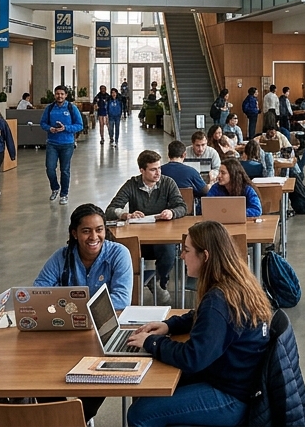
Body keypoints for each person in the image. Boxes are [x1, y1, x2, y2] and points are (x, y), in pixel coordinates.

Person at [126, 221, 273, 427]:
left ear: (205, 256)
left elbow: (192, 358)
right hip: (240, 381)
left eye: (186, 250)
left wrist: (152, 342)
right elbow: (201, 317)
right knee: (154, 385)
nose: (182, 256)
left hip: (231, 397)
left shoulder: (218, 301)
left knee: (140, 414)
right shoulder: (235, 284)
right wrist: (169, 326)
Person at [108, 150, 188, 304]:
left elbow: (182, 207)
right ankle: (130, 290)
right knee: (125, 251)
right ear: (142, 170)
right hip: (139, 239)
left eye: (159, 168)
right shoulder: (132, 184)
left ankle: (159, 282)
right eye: (153, 169)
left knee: (168, 251)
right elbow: (111, 210)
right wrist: (126, 215)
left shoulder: (167, 182)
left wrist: (171, 212)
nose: (158, 173)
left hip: (162, 236)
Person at [35, 204, 134, 310]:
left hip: (106, 322)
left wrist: (75, 308)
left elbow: (122, 299)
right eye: (86, 231)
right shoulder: (61, 257)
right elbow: (38, 292)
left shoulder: (119, 254)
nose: (94, 237)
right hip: (69, 323)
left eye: (99, 230)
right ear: (75, 234)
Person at [41, 85, 84, 204]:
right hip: (52, 144)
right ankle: (55, 188)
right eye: (57, 94)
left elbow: (80, 125)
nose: (59, 96)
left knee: (65, 170)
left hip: (67, 144)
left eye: (62, 94)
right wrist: (50, 128)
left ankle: (64, 194)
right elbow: (43, 123)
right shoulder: (49, 108)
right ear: (54, 95)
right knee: (50, 168)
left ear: (66, 95)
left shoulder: (71, 108)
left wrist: (66, 128)